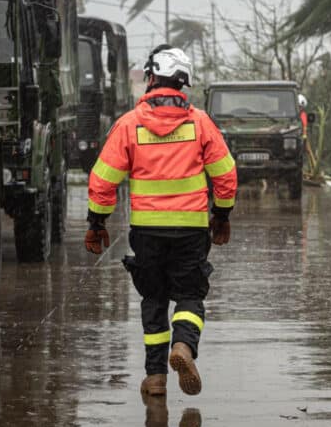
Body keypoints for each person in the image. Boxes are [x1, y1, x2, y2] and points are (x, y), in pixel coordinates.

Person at [85, 45, 237, 399]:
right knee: (190, 295)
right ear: (182, 82)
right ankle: (183, 346)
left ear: (152, 77)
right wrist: (222, 214)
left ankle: (155, 377)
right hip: (191, 230)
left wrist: (97, 222)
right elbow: (226, 174)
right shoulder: (200, 123)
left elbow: (103, 180)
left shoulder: (129, 124)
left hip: (147, 232)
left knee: (153, 299)